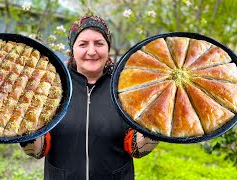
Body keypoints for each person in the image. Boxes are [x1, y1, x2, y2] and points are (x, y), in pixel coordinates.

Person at [20, 14, 159, 180]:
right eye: (83, 44)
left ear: (108, 48)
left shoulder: (125, 88)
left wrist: (156, 123)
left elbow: (137, 149)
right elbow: (37, 150)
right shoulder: (53, 87)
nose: (91, 51)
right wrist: (22, 121)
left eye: (99, 43)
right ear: (72, 49)